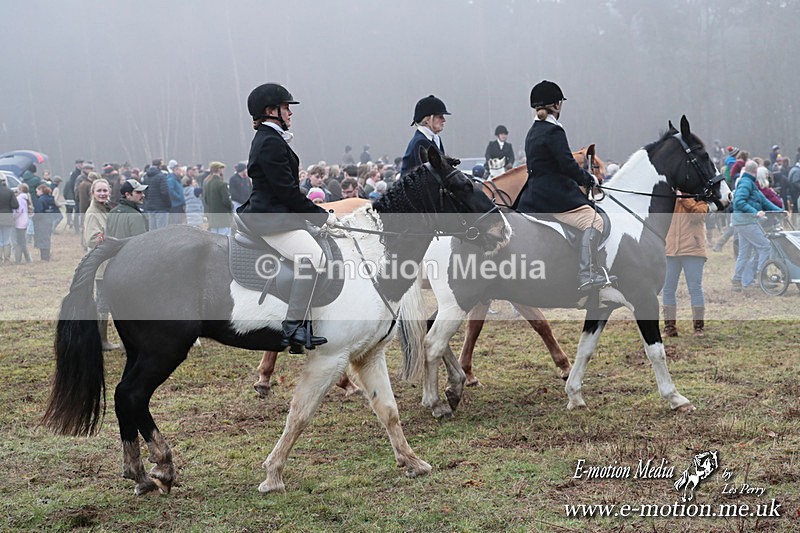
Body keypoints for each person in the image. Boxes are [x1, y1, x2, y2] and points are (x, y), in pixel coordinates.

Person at [239, 82, 334, 352]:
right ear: (271, 111)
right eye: (285, 108)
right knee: (313, 258)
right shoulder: (270, 142)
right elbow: (286, 191)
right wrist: (321, 216)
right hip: (270, 218)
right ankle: (293, 327)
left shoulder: (272, 138)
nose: (290, 113)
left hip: (278, 215)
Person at [517, 80, 615, 292]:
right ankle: (587, 273)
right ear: (557, 105)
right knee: (595, 221)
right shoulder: (554, 131)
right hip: (556, 198)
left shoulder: (532, 131)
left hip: (533, 195)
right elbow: (567, 165)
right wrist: (589, 179)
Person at [662, 194, 710, 337]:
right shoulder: (669, 199)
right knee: (668, 289)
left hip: (693, 250)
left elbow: (697, 216)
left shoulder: (700, 199)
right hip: (670, 250)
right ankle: (669, 327)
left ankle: (698, 328)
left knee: (695, 288)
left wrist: (684, 198)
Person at [730, 160, 782, 291]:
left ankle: (737, 280)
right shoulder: (746, 183)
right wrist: (755, 212)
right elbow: (738, 202)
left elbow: (764, 201)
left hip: (743, 222)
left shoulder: (750, 183)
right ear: (755, 171)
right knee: (765, 246)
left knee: (744, 253)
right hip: (746, 221)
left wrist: (780, 211)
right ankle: (761, 276)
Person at [400, 94, 450, 177]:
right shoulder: (421, 142)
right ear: (427, 120)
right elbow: (429, 176)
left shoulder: (436, 139)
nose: (444, 120)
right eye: (440, 117)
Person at [203, 162, 232, 234]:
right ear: (219, 170)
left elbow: (206, 200)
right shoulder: (222, 184)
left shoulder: (207, 184)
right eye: (222, 169)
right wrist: (231, 206)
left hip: (212, 219)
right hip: (223, 218)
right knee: (225, 238)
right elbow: (226, 201)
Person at [32, 184, 58, 261]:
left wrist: (34, 218)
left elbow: (38, 212)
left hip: (42, 222)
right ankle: (47, 256)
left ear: (41, 191)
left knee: (42, 239)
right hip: (49, 220)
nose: (36, 193)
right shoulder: (51, 199)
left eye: (37, 191)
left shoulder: (41, 200)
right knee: (47, 238)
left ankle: (44, 257)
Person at [0, 173, 19, 264]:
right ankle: (7, 260)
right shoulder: (10, 191)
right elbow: (15, 205)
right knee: (7, 239)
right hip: (7, 217)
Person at [12, 184, 32, 263]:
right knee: (22, 241)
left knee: (20, 242)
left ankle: (22, 259)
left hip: (19, 222)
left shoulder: (19, 198)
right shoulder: (25, 198)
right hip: (24, 221)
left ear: (20, 190)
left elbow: (19, 211)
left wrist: (13, 217)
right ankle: (25, 259)